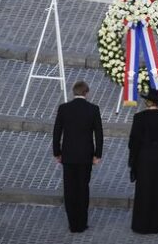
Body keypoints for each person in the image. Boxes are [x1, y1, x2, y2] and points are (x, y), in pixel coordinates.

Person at [52, 81, 104, 233]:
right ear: (86, 93)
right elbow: (99, 134)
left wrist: (57, 152)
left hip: (68, 156)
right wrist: (97, 154)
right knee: (83, 188)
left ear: (73, 92)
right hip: (85, 156)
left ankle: (72, 223)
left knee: (69, 189)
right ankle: (82, 223)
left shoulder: (64, 108)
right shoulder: (93, 109)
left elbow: (57, 133)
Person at [128, 89, 158, 234]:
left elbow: (133, 141)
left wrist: (133, 160)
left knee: (144, 189)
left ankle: (143, 224)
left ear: (147, 102)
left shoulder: (139, 118)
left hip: (144, 156)